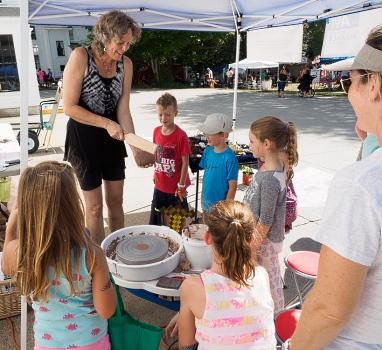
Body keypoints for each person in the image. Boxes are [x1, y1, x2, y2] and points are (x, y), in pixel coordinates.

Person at [286, 24, 382, 350]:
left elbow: (329, 310)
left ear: (374, 86)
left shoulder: (361, 185)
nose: (348, 92)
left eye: (350, 82)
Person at [1, 161, 116, 349]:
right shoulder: (92, 255)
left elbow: (5, 266)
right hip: (92, 342)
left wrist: (10, 228)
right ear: (72, 207)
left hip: (47, 344)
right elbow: (107, 310)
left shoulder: (17, 251)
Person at [62, 10, 141, 245]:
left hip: (113, 140)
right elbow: (69, 107)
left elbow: (123, 109)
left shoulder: (126, 64)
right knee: (94, 207)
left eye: (128, 43)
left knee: (116, 202)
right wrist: (106, 123)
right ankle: (97, 262)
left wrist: (137, 148)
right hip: (83, 140)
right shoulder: (80, 56)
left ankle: (119, 255)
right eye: (120, 42)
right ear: (105, 36)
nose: (124, 48)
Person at [178, 200, 276, 350]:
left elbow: (186, 342)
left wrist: (183, 314)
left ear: (207, 238)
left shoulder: (192, 287)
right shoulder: (262, 275)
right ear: (251, 240)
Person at [243, 116, 298, 314]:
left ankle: (272, 316)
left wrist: (250, 247)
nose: (249, 145)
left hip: (261, 242)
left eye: (251, 141)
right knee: (266, 276)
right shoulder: (278, 165)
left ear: (266, 144)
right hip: (261, 239)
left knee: (267, 278)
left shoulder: (269, 179)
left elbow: (265, 220)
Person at [149, 92, 191, 227]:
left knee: (178, 220)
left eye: (167, 114)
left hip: (175, 187)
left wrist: (181, 185)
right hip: (160, 185)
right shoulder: (155, 131)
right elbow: (157, 155)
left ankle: (180, 243)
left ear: (175, 113)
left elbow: (185, 162)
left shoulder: (181, 135)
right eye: (160, 114)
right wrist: (155, 172)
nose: (163, 118)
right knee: (162, 218)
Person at [198, 113, 239, 221]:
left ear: (223, 135)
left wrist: (225, 210)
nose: (207, 136)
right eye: (206, 132)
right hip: (206, 205)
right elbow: (206, 177)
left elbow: (233, 187)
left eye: (211, 133)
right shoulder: (207, 151)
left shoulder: (230, 159)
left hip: (220, 211)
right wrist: (202, 197)